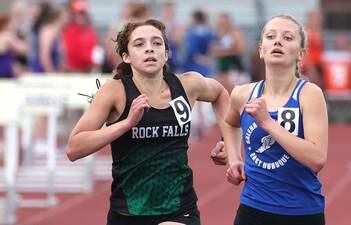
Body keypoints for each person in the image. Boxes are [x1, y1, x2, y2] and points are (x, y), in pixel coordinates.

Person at [66, 19, 229, 225]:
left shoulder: (187, 85)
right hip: (128, 212)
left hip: (179, 208)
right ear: (126, 56)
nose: (149, 49)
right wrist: (126, 124)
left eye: (156, 43)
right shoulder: (114, 92)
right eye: (139, 44)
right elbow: (74, 148)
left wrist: (228, 142)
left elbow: (221, 95)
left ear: (166, 53)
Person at [221, 15, 328, 225]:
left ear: (300, 54)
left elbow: (317, 158)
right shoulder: (242, 94)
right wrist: (233, 157)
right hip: (253, 208)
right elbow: (230, 123)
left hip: (301, 211)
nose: (278, 41)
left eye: (288, 38)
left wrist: (268, 123)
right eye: (271, 36)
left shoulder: (309, 94)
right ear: (261, 50)